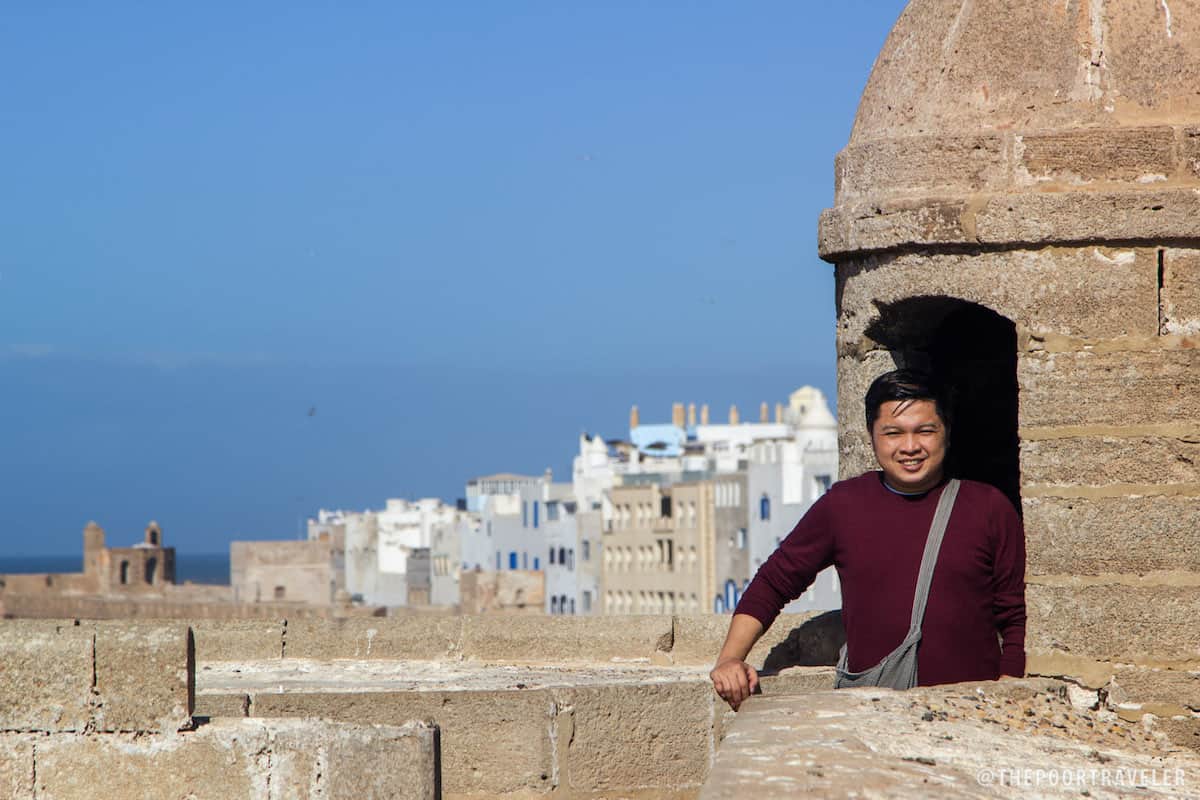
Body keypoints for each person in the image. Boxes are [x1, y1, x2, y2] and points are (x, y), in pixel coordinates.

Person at [710, 369, 1026, 710]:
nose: (910, 446)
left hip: (971, 715)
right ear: (872, 436)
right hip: (876, 714)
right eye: (893, 433)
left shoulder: (988, 508)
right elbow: (774, 582)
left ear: (946, 433)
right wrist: (730, 658)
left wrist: (1006, 696)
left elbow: (1015, 617)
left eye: (925, 431)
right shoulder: (844, 505)